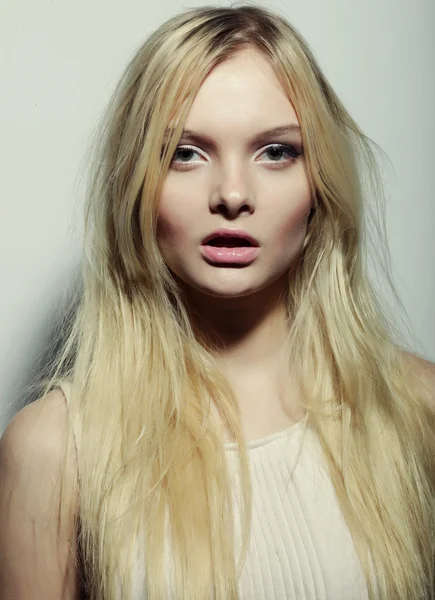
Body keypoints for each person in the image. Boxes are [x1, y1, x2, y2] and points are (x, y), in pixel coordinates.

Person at [1, 4, 434, 599]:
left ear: (320, 186)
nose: (232, 194)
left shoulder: (419, 410)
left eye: (276, 152)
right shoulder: (56, 450)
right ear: (135, 184)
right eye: (184, 152)